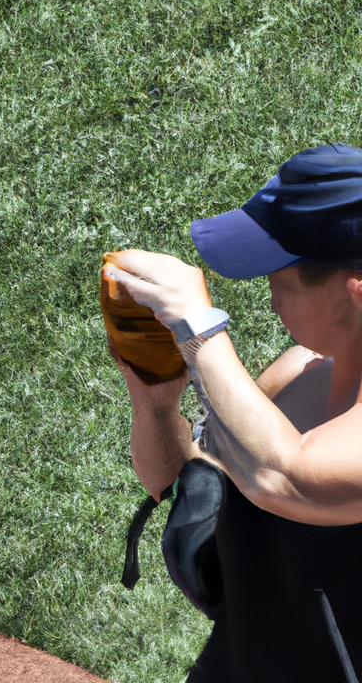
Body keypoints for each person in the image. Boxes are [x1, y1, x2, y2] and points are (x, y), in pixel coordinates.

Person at [107, 144, 362, 683]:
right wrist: (156, 402)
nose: (268, 296)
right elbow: (185, 485)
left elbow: (285, 477)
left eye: (280, 277)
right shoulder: (296, 373)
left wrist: (199, 328)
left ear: (355, 291)